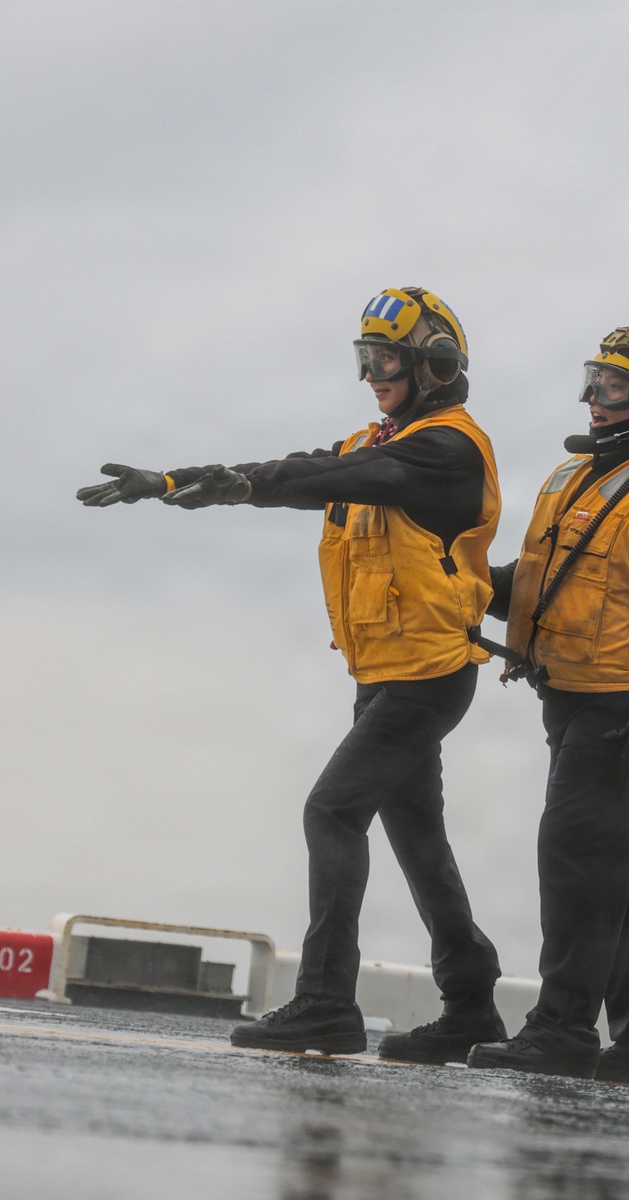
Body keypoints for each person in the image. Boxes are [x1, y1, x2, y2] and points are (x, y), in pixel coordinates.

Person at [76, 287, 505, 1061]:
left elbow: (338, 478)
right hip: (388, 674)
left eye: (387, 360)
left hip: (427, 675)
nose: (372, 373)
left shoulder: (446, 448)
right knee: (416, 835)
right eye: (364, 359)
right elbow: (314, 468)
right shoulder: (380, 442)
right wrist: (185, 481)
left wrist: (242, 485)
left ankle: (325, 1004)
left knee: (332, 812)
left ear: (435, 365)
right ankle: (472, 998)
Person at [468, 328, 629, 1089]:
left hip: (628, 706)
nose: (592, 399)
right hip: (573, 700)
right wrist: (448, 579)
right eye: (592, 381)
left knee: (579, 854)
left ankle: (561, 1027)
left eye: (612, 386)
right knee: (625, 860)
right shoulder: (581, 478)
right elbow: (534, 584)